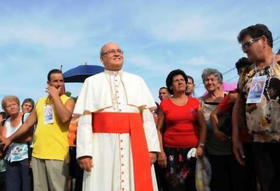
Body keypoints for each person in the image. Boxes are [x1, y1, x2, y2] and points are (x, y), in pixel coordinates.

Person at [73, 42, 160, 191]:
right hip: (101, 146)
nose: (117, 54)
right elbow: (85, 122)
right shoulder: (91, 82)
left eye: (120, 51)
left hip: (135, 143)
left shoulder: (137, 81)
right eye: (111, 51)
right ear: (102, 59)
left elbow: (147, 119)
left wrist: (152, 148)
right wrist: (84, 152)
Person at [1, 69, 75, 191]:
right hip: (38, 155)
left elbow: (65, 117)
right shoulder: (40, 102)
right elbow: (27, 125)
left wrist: (56, 97)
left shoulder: (68, 100)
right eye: (55, 81)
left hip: (57, 155)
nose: (59, 83)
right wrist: (10, 138)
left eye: (61, 81)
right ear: (48, 83)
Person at [237, 24, 280, 191]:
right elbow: (239, 105)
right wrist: (236, 137)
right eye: (242, 46)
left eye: (247, 44)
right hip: (258, 143)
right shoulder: (246, 73)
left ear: (263, 40)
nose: (244, 49)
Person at [157, 69, 206, 191]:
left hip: (192, 152)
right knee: (174, 186)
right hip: (170, 152)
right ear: (170, 86)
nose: (180, 82)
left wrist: (201, 146)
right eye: (176, 81)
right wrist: (161, 152)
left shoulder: (195, 103)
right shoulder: (165, 104)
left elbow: (203, 126)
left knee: (192, 185)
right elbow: (159, 130)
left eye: (182, 80)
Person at [200, 68, 243, 191]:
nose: (209, 82)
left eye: (212, 79)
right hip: (213, 151)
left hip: (233, 149)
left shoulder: (230, 97)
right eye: (206, 80)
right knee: (220, 184)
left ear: (219, 82)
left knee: (237, 183)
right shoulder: (200, 103)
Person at [1, 96, 32, 191]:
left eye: (14, 104)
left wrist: (10, 139)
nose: (12, 107)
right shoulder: (6, 122)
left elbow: (30, 137)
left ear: (19, 105)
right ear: (5, 109)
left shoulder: (26, 117)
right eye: (8, 106)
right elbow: (3, 140)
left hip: (25, 158)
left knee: (26, 187)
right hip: (10, 159)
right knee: (12, 187)